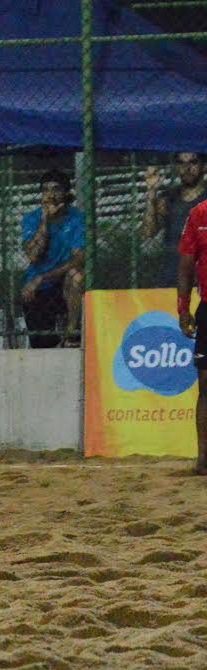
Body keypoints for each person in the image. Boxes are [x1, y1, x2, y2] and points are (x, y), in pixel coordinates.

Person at [20, 169, 84, 348]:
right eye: (46, 190)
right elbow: (34, 255)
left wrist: (43, 277)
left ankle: (72, 334)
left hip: (62, 283)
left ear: (66, 192)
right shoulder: (32, 219)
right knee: (42, 345)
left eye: (56, 189)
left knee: (76, 275)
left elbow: (79, 259)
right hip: (38, 287)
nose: (50, 195)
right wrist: (46, 221)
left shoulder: (77, 219)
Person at [176, 200, 207, 475]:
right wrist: (183, 309)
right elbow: (186, 263)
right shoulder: (199, 213)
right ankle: (203, 461)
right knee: (206, 388)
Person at [145, 153, 207, 288]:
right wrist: (151, 193)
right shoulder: (168, 198)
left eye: (193, 162)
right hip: (171, 280)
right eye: (181, 163)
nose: (187, 167)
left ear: (204, 166)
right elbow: (149, 232)